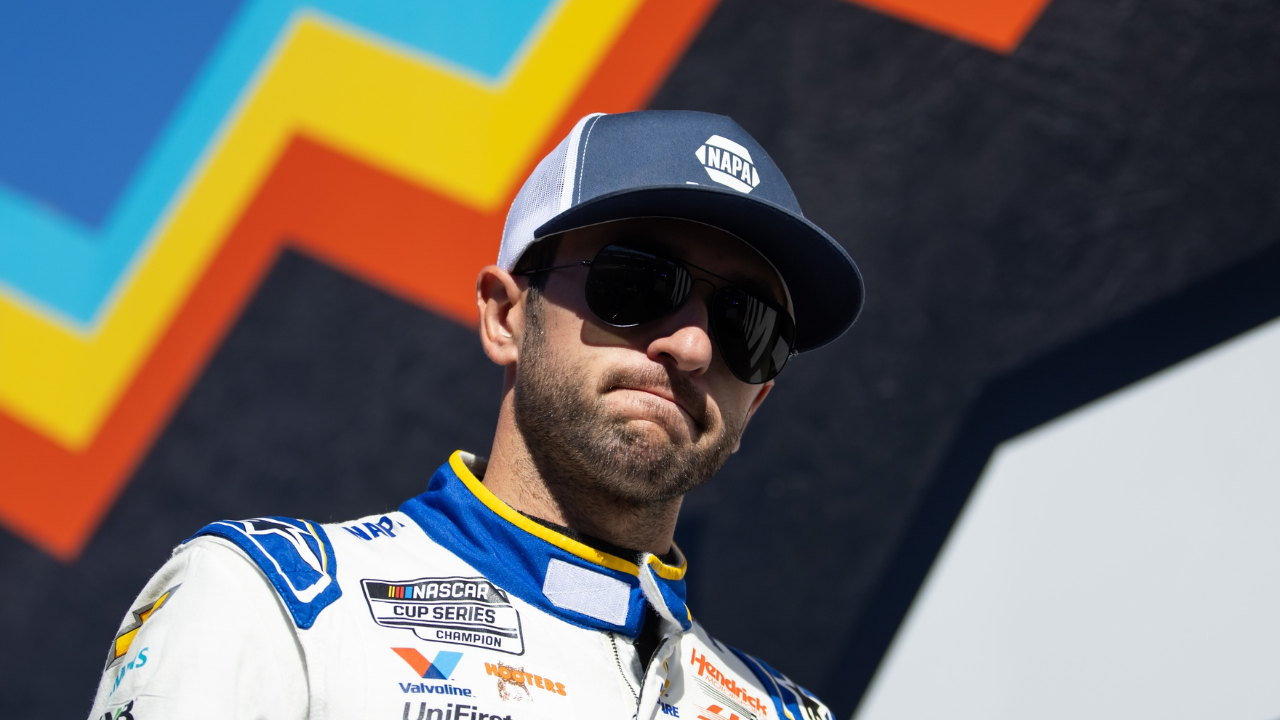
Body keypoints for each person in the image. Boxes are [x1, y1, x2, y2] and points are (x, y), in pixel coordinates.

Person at [87, 110, 863, 720]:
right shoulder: (273, 605)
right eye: (639, 282)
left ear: (758, 396)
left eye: (746, 324)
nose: (692, 344)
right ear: (504, 317)